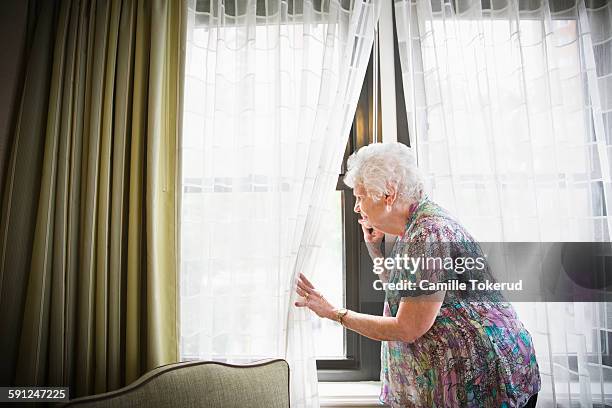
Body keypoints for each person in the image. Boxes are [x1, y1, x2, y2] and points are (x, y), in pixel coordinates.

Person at [295, 143, 541, 407]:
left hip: (483, 381)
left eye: (360, 196)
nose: (356, 207)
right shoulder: (413, 229)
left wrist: (333, 313)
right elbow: (403, 296)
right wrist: (376, 251)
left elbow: (408, 327)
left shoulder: (428, 234)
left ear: (388, 194)